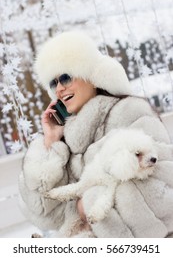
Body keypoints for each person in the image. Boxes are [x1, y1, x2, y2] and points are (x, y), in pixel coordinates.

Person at [18, 30, 173, 238]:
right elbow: (45, 214)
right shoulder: (68, 138)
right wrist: (51, 141)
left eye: (65, 77)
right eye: (53, 83)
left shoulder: (129, 112)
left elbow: (163, 188)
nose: (60, 88)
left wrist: (88, 205)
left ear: (91, 76)